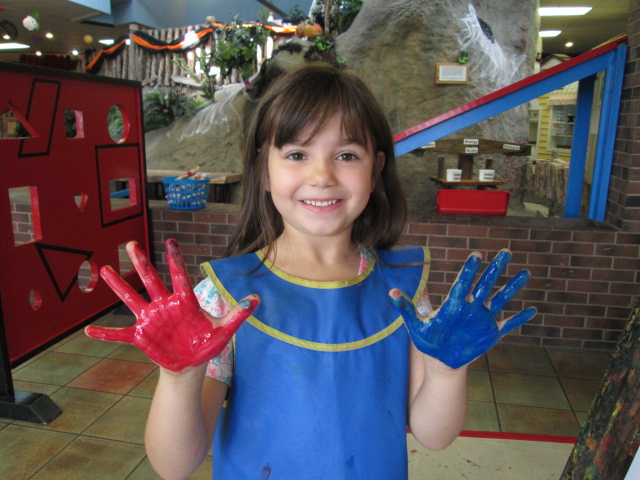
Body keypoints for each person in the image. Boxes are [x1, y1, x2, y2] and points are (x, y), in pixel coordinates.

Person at [86, 62, 537, 480]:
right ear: (263, 170)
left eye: (346, 155)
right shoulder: (221, 299)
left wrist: (446, 372)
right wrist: (179, 376)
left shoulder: (405, 293)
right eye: (298, 154)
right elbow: (175, 464)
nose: (322, 176)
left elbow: (434, 436)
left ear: (376, 169)